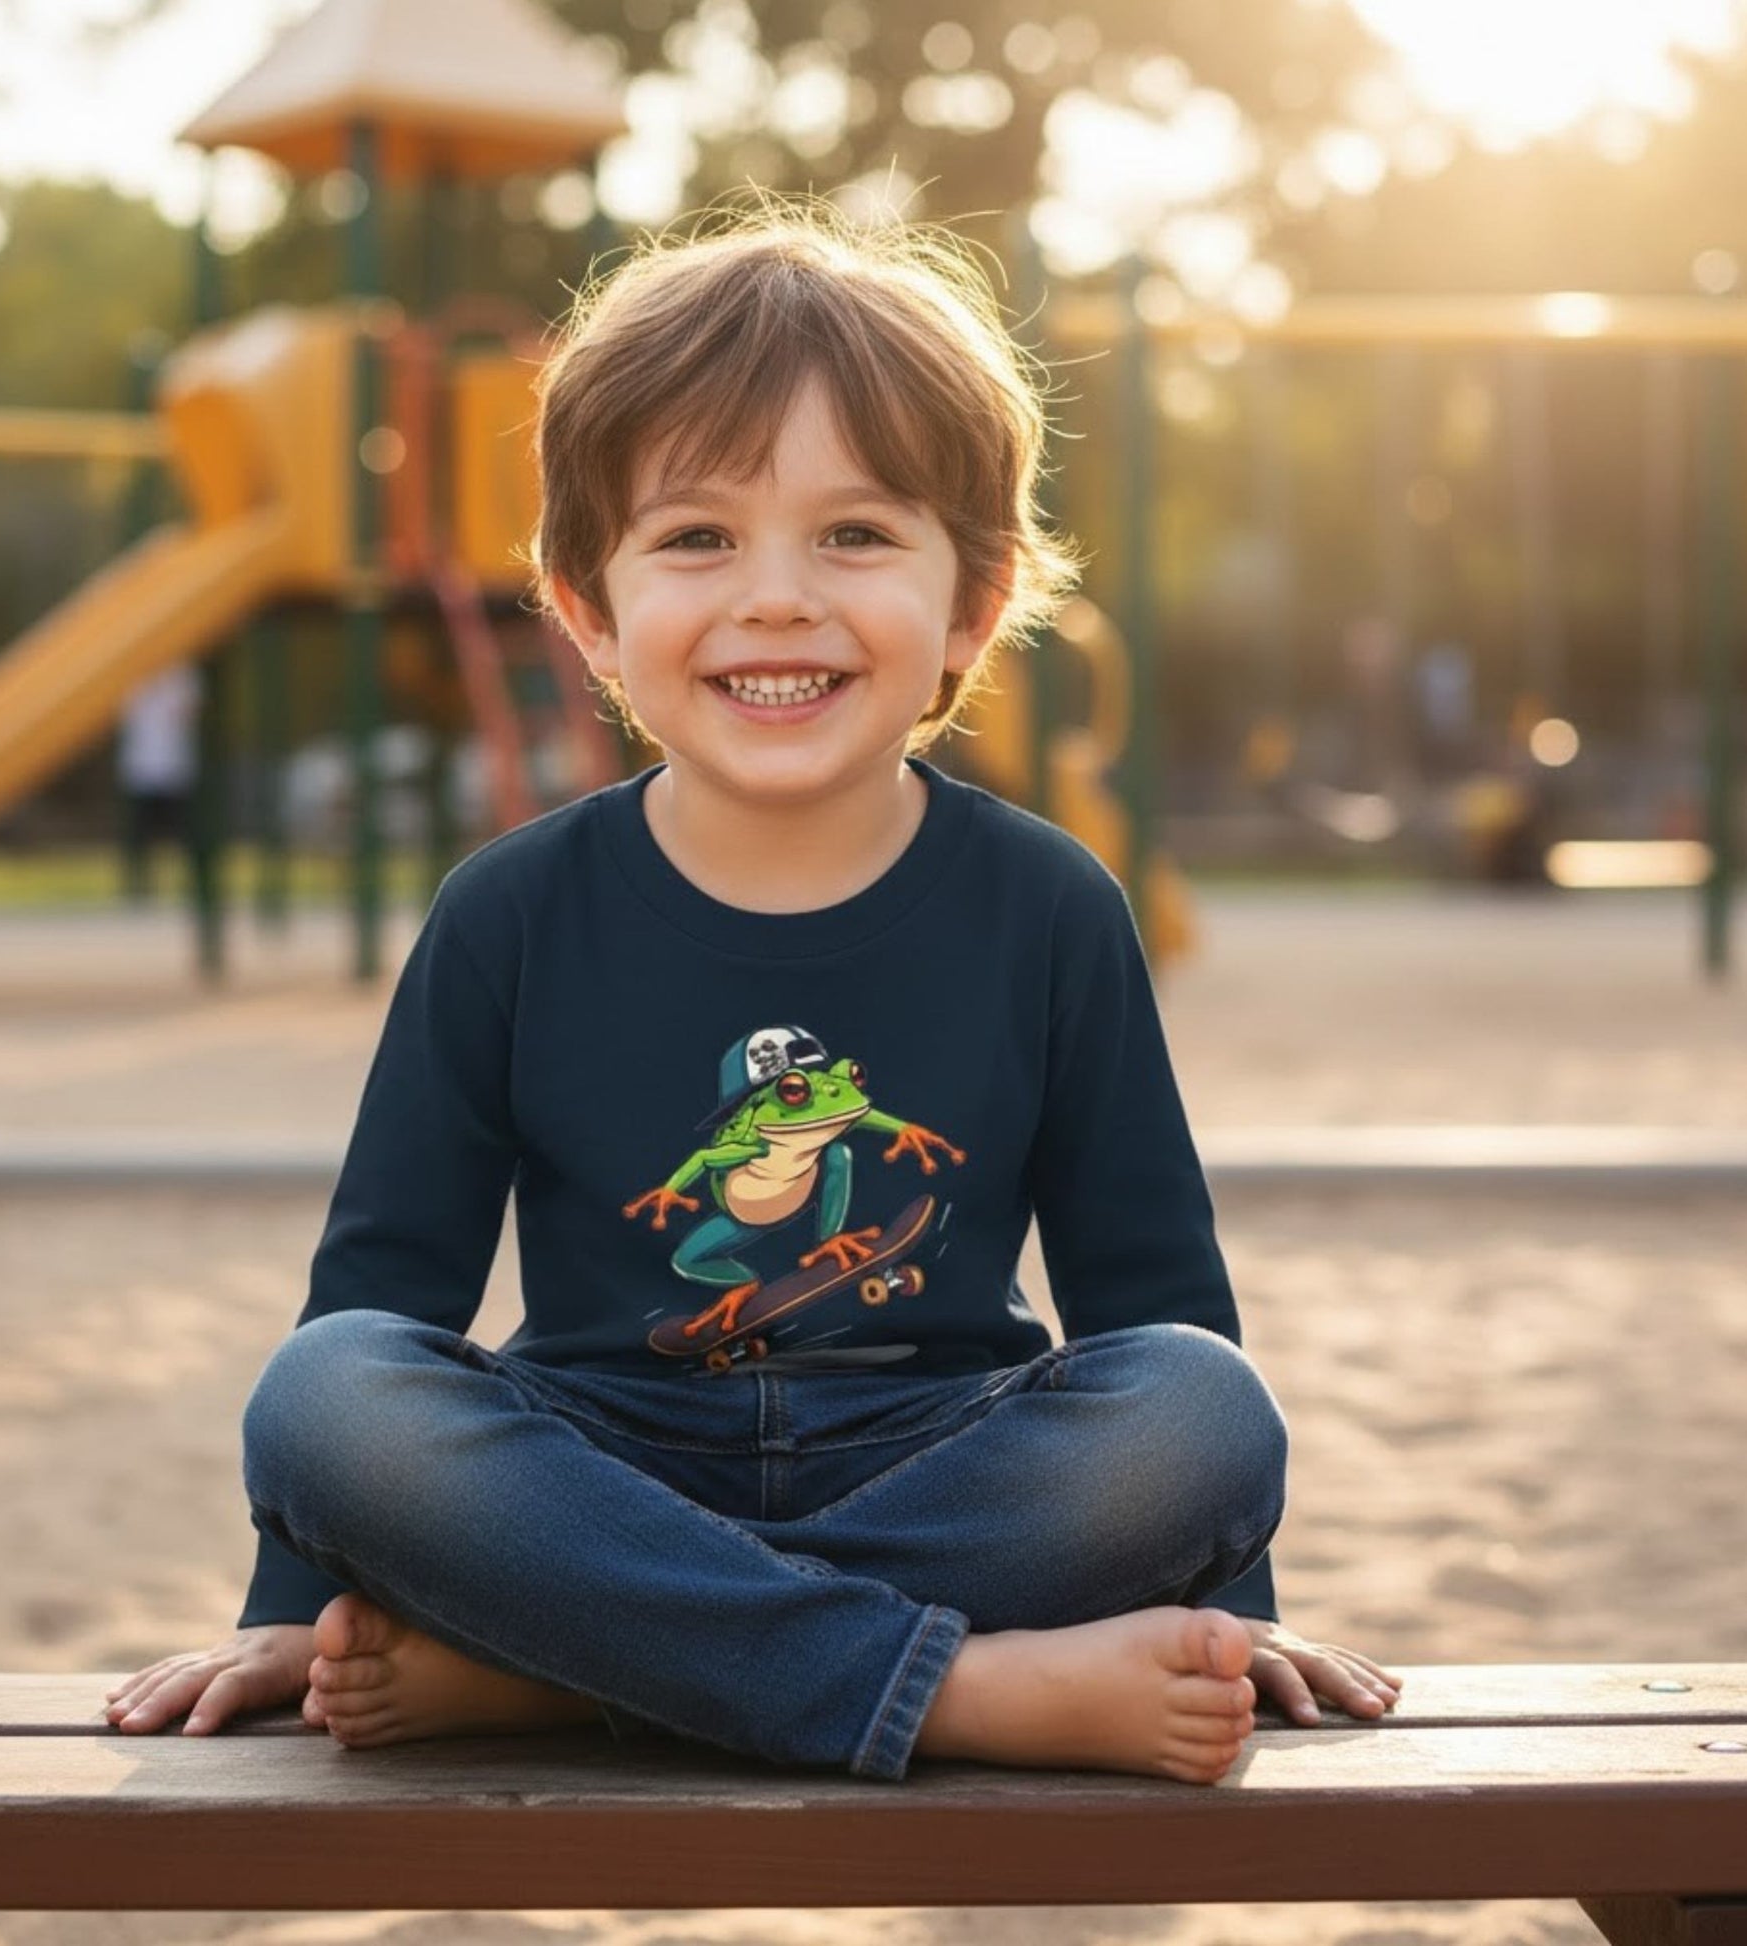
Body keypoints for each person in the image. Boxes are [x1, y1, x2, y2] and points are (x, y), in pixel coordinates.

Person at [104, 202, 1400, 1784]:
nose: (776, 596)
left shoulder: (1049, 905)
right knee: (328, 1393)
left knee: (1201, 1405)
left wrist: (1229, 1603)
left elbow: (1150, 1282)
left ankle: (572, 1672)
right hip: (596, 1470)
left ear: (972, 603)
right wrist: (289, 1614)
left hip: (940, 1465)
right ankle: (950, 1687)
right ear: (588, 609)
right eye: (697, 538)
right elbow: (387, 1275)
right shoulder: (508, 913)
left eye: (853, 534)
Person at [117, 661, 202, 902]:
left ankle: (192, 884)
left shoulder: (182, 673)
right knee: (139, 833)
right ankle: (138, 887)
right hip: (141, 767)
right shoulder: (130, 674)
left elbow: (190, 711)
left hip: (175, 767)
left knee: (184, 830)